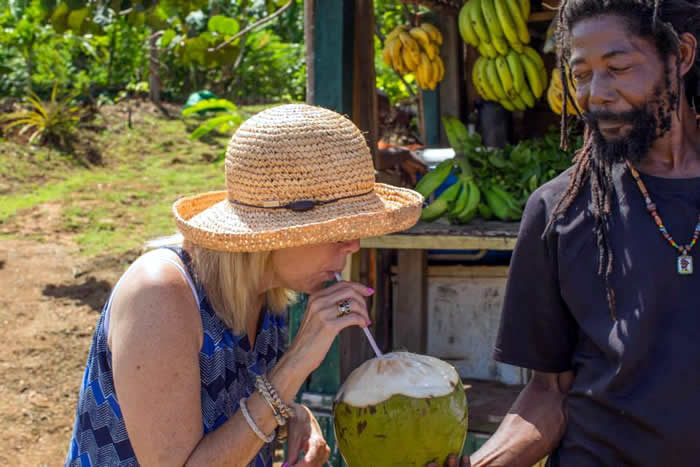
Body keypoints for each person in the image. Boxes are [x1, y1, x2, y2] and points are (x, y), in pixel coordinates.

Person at [65, 104, 423, 466]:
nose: (353, 244)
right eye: (334, 231)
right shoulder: (160, 293)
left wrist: (294, 416)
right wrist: (295, 365)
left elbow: (225, 409)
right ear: (274, 233)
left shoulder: (270, 291)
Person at [439, 1, 700, 466]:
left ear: (681, 55)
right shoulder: (559, 210)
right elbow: (547, 394)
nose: (596, 94)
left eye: (618, 67)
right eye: (580, 75)